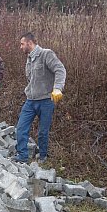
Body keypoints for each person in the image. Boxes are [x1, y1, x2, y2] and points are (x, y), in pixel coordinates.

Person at [13, 32, 66, 163]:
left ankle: (43, 157)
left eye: (22, 44)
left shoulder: (46, 54)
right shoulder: (29, 58)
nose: (20, 47)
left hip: (46, 101)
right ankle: (22, 156)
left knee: (43, 131)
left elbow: (60, 70)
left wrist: (58, 88)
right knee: (21, 128)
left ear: (29, 43)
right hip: (30, 100)